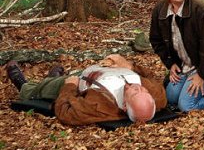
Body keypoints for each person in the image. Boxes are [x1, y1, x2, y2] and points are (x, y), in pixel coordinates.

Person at [5, 54, 166, 126]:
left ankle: (23, 85)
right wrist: (129, 65)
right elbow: (150, 77)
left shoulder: (101, 106)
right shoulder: (157, 96)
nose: (139, 88)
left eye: (135, 93)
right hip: (101, 70)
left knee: (39, 89)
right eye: (144, 91)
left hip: (80, 81)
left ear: (124, 105)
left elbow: (65, 113)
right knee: (53, 81)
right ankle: (51, 78)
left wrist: (70, 86)